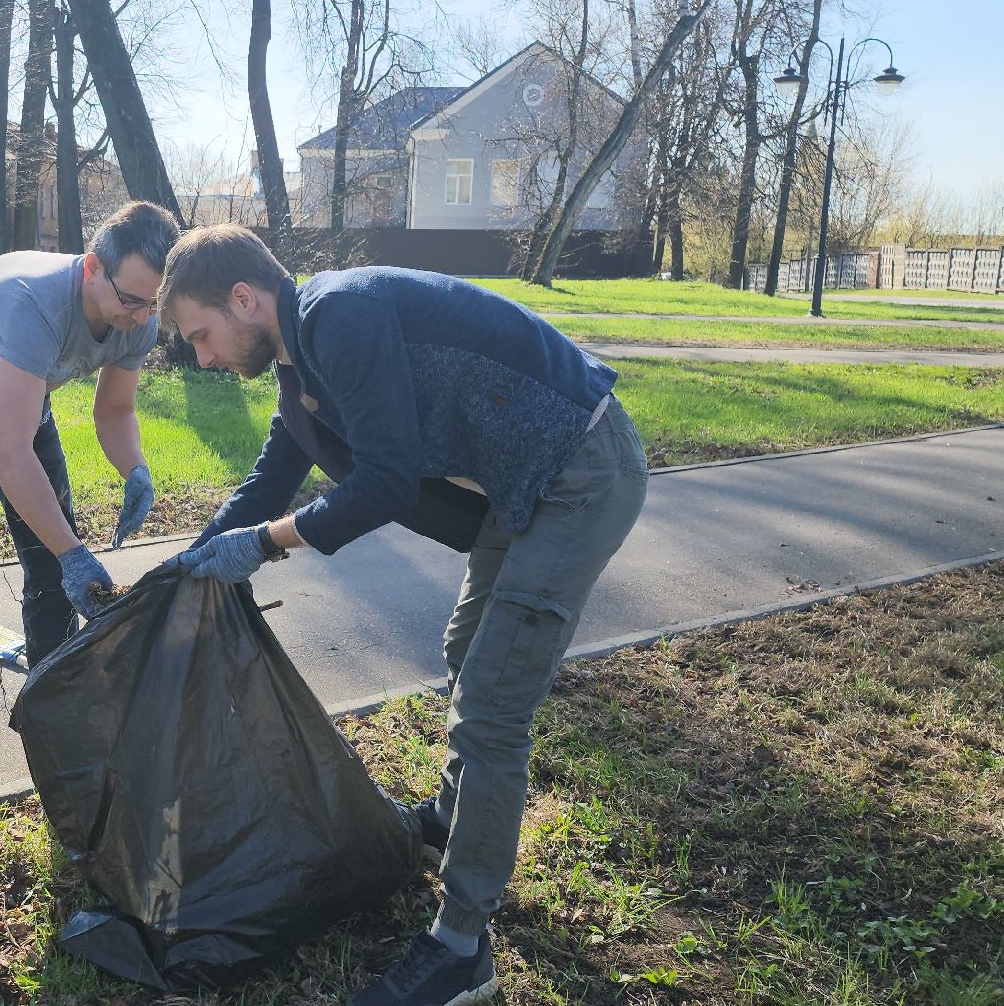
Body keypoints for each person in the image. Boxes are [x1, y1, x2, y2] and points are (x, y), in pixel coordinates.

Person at [159, 226, 648, 1006]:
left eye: (202, 335)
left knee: (490, 707)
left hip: (582, 471)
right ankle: (450, 821)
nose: (205, 357)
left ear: (244, 300)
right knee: (465, 646)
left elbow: (383, 482)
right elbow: (270, 477)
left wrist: (266, 545)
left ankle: (462, 948)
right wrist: (181, 566)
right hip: (521, 483)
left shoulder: (337, 316)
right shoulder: (302, 362)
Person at [0, 200, 179, 802]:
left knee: (52, 574)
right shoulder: (33, 303)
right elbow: (8, 453)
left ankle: (57, 724)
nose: (138, 316)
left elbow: (115, 410)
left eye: (152, 302)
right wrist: (75, 550)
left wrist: (135, 468)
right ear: (90, 270)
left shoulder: (140, 317)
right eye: (129, 299)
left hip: (24, 394)